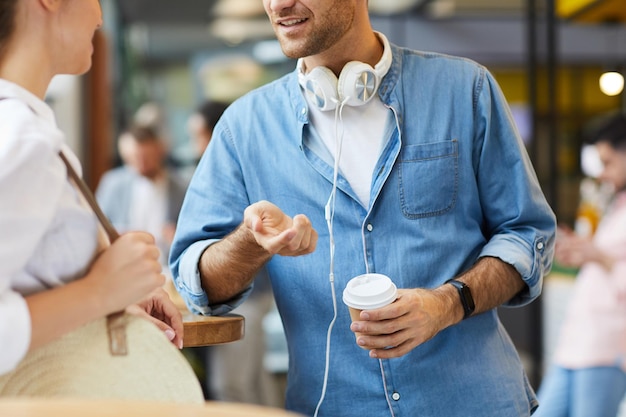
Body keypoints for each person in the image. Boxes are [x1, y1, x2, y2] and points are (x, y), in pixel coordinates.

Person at [169, 0, 556, 415]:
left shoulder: (465, 90)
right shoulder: (243, 127)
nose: (278, 4)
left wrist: (446, 303)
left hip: (473, 403)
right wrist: (250, 242)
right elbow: (197, 283)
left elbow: (528, 235)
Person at [0, 0, 183, 378]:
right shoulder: (21, 139)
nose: (100, 15)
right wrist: (100, 291)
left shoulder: (28, 132)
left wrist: (109, 292)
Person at [534, 112, 626, 417]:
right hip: (575, 341)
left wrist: (598, 255)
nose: (602, 173)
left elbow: (611, 262)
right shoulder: (615, 204)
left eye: (608, 161)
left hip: (607, 346)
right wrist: (584, 251)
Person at [96, 124, 188, 274]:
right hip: (123, 269)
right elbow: (98, 229)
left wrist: (177, 238)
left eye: (146, 158)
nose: (141, 165)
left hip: (166, 270)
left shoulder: (182, 188)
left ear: (159, 150)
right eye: (133, 159)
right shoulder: (113, 184)